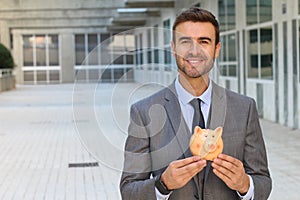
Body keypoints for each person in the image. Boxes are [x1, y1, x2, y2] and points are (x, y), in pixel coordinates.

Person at [120, 7, 272, 200]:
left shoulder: (244, 108)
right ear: (173, 48)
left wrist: (245, 184)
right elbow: (128, 191)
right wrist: (163, 185)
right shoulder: (143, 112)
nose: (194, 50)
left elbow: (263, 182)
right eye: (185, 41)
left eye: (204, 41)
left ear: (216, 49)